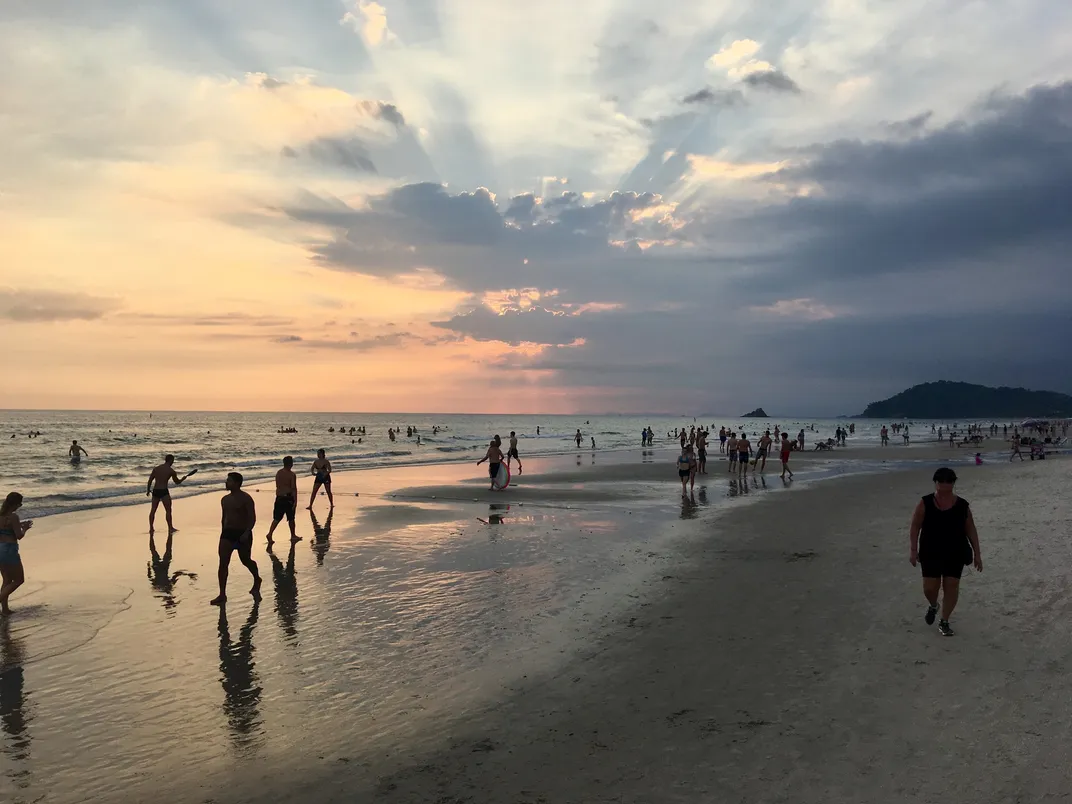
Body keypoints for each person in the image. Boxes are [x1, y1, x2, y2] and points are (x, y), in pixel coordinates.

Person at [909, 467, 982, 636]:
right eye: (940, 488)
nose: (943, 493)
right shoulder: (925, 503)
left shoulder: (962, 505)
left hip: (955, 551)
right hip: (930, 550)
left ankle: (944, 621)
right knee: (930, 588)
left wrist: (977, 554)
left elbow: (971, 529)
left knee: (952, 585)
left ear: (953, 484)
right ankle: (934, 605)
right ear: (935, 484)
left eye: (947, 489)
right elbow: (915, 526)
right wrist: (913, 550)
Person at [210, 472, 262, 606]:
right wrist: (222, 533)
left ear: (237, 483)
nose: (226, 483)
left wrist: (247, 532)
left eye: (229, 481)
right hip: (227, 534)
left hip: (243, 533)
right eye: (227, 480)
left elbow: (252, 518)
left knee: (245, 560)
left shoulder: (246, 499)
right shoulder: (224, 499)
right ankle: (222, 594)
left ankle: (257, 579)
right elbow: (224, 517)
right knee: (223, 563)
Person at [0, 492, 31, 616]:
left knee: (7, 580)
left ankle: (5, 610)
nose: (20, 505)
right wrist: (25, 528)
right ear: (16, 504)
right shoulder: (13, 517)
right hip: (9, 550)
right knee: (19, 580)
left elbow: (6, 530)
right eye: (20, 503)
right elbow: (19, 535)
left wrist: (19, 525)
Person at [146, 455, 194, 534]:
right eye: (173, 461)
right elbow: (177, 482)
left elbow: (150, 480)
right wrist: (183, 479)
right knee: (168, 511)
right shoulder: (171, 471)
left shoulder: (156, 469)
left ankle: (151, 528)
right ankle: (170, 528)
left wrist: (148, 490)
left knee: (153, 510)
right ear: (171, 460)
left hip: (156, 491)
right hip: (164, 491)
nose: (173, 462)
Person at [266, 456, 299, 543]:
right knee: (291, 518)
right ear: (291, 464)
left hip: (279, 497)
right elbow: (293, 488)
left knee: (277, 518)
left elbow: (278, 485)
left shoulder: (279, 473)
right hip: (288, 498)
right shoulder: (291, 474)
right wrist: (295, 500)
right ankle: (293, 535)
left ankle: (270, 533)